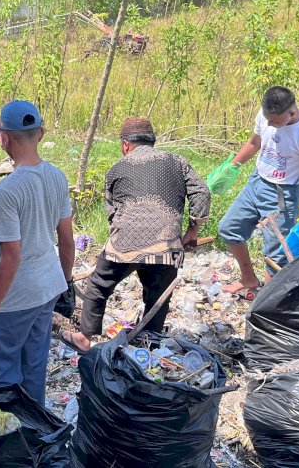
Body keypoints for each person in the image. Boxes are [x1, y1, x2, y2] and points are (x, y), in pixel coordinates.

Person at [60, 118, 211, 352]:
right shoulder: (178, 162)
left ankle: (85, 336)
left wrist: (122, 237)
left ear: (125, 145)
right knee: (158, 297)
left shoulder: (117, 169)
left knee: (99, 285)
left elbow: (112, 211)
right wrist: (193, 230)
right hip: (165, 246)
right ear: (152, 141)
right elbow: (201, 192)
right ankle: (150, 344)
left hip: (123, 246)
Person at [0, 100, 74, 404]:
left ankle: (8, 437)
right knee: (34, 363)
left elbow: (11, 258)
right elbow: (67, 241)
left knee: (1, 367)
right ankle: (35, 432)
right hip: (49, 286)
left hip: (18, 295)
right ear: (40, 133)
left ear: (3, 137)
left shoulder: (8, 190)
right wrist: (64, 282)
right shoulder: (57, 176)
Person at [216, 86, 299, 297]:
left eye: (275, 122)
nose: (269, 124)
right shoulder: (266, 114)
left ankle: (265, 300)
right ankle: (248, 278)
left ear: (291, 113)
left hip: (282, 195)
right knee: (229, 228)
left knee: (276, 254)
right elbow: (254, 142)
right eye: (267, 119)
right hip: (257, 182)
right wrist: (231, 168)